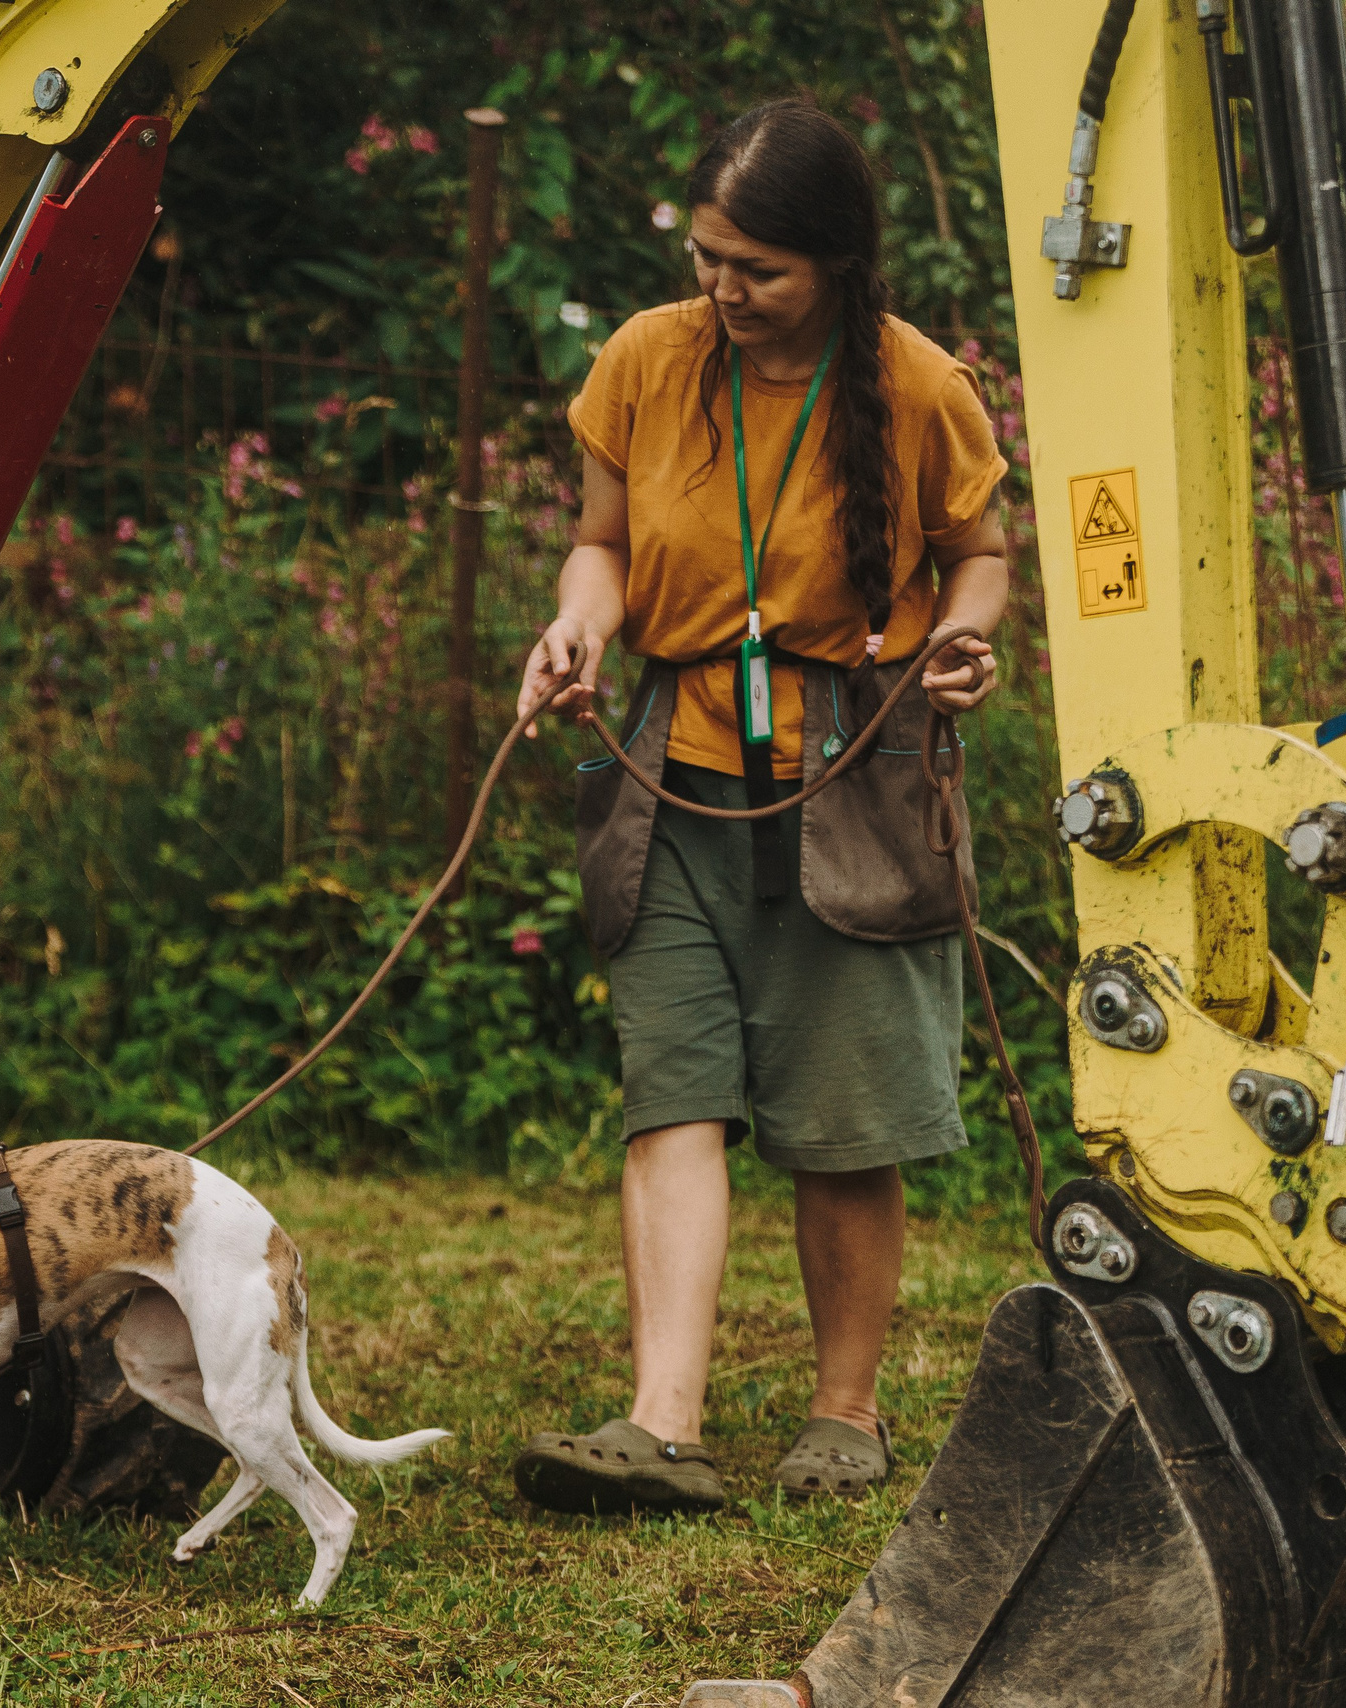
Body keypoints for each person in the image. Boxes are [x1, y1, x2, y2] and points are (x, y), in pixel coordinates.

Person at [508, 100, 1007, 1513]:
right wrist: (576, 628)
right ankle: (662, 1424)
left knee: (845, 1122)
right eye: (707, 255)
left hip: (852, 776)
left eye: (755, 268)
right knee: (673, 1092)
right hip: (668, 772)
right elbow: (599, 546)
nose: (721, 288)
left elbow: (982, 557)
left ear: (836, 264)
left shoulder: (918, 384)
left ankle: (844, 1416)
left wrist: (959, 645)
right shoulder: (644, 362)